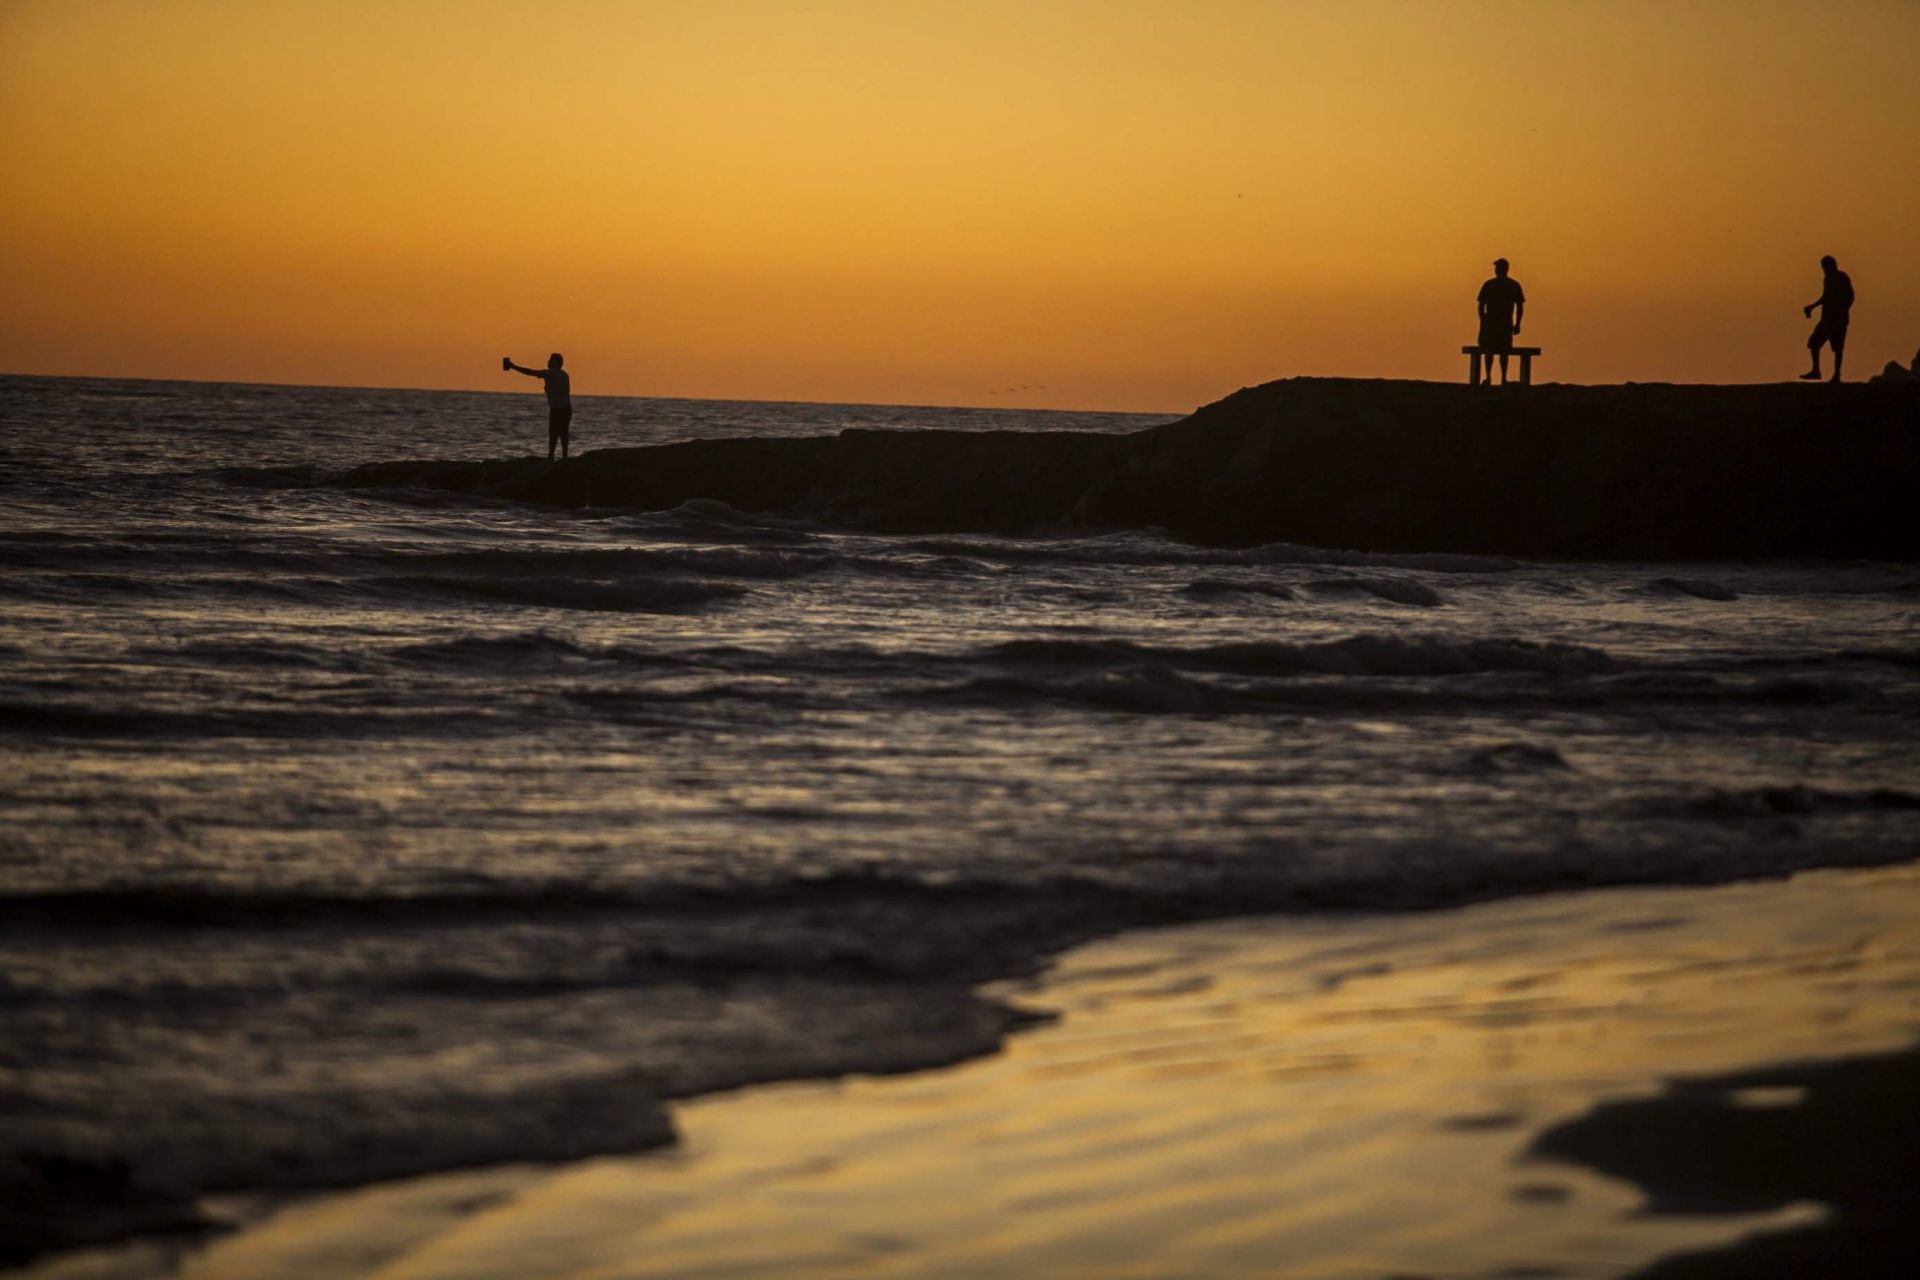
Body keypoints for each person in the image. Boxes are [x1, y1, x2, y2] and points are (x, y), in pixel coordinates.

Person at [504, 353, 573, 459]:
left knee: (553, 433)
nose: (548, 361)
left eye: (551, 360)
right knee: (563, 433)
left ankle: (551, 456)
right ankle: (564, 456)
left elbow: (530, 372)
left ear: (556, 363)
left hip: (557, 409)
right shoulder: (564, 374)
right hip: (566, 408)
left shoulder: (550, 373)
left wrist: (513, 367)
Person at [1801, 256, 1854, 382]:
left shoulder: (1842, 278)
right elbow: (1825, 297)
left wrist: (1840, 311)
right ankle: (1816, 370)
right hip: (1826, 320)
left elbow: (1850, 297)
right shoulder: (1827, 279)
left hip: (1838, 320)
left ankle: (1837, 375)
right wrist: (1813, 306)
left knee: (1837, 348)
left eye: (1825, 266)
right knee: (1814, 343)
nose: (1824, 269)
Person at [1475, 258, 1526, 385]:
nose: (1496, 270)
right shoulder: (1492, 284)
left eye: (1498, 268)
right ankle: (1490, 377)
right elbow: (1481, 305)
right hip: (1493, 322)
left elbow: (1520, 306)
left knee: (1502, 351)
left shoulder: (1511, 285)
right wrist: (1483, 321)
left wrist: (1518, 323)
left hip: (1502, 322)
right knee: (1490, 351)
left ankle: (1501, 378)